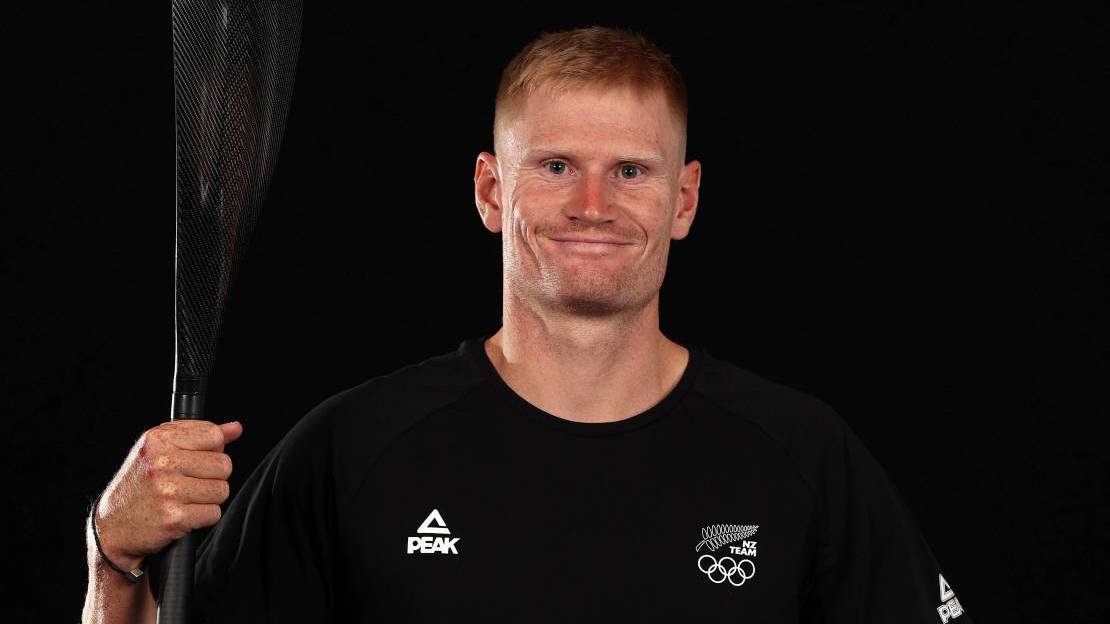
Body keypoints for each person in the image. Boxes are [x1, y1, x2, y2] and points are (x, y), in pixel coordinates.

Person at [83, 25, 975, 624]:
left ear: (685, 199)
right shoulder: (354, 449)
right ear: (489, 189)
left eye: (631, 171)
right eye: (554, 166)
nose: (593, 205)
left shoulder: (801, 455)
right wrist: (112, 560)